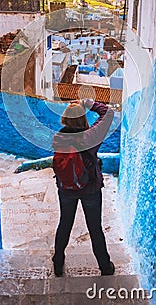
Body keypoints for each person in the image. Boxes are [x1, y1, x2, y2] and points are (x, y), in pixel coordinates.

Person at [52, 99, 115, 277]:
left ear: (65, 119)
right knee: (95, 228)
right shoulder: (90, 136)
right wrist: (87, 103)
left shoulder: (58, 138)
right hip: (90, 190)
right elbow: (108, 113)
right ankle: (105, 267)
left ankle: (58, 262)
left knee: (64, 224)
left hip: (66, 189)